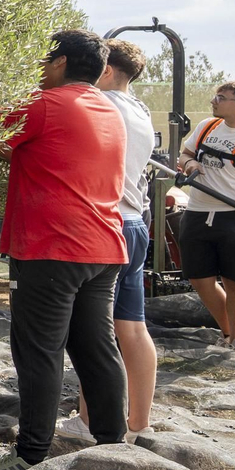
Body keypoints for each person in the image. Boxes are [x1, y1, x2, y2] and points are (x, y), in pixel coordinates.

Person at [0, 29, 128, 470]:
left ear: (59, 62)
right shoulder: (108, 108)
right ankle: (113, 445)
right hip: (104, 248)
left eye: (42, 59)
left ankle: (30, 454)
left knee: (39, 353)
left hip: (51, 250)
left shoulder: (45, 105)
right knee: (97, 349)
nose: (39, 67)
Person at [62, 39, 157, 440]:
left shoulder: (100, 106)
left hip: (107, 223)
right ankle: (140, 423)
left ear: (105, 70)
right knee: (133, 327)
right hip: (135, 223)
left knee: (93, 332)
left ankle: (87, 420)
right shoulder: (141, 111)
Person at [177, 79, 235, 346]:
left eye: (221, 97)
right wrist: (190, 164)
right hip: (197, 212)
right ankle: (228, 332)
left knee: (234, 282)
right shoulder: (207, 126)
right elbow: (185, 153)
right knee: (200, 279)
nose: (214, 101)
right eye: (215, 95)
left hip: (232, 216)